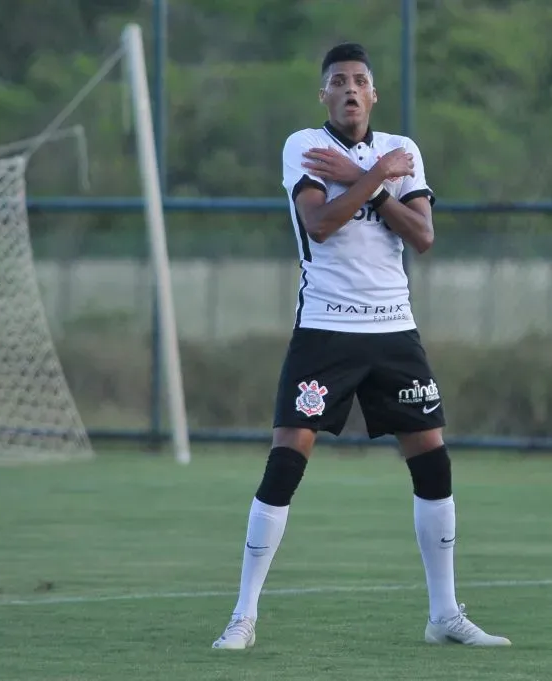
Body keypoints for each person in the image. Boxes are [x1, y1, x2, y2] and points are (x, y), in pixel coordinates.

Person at [211, 42, 511, 650]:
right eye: (338, 81)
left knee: (433, 461)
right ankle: (243, 615)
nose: (350, 89)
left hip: (393, 330)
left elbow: (422, 235)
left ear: (374, 95)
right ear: (323, 95)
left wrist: (368, 183)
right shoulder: (306, 147)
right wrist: (376, 177)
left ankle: (444, 614)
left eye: (360, 81)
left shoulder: (405, 153)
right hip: (325, 328)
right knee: (286, 461)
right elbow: (320, 225)